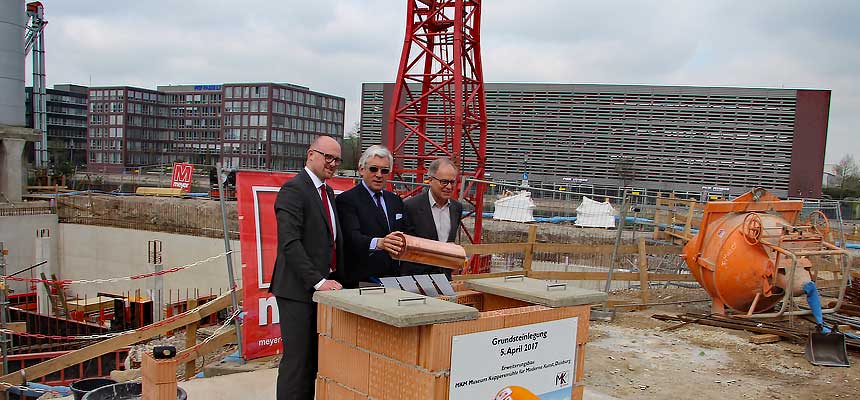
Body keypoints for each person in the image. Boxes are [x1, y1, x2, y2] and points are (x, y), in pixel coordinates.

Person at [270, 135, 344, 400]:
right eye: (328, 157)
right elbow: (290, 244)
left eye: (337, 159)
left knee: (312, 362)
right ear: (311, 154)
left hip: (320, 292)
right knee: (297, 364)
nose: (333, 163)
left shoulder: (327, 191)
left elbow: (330, 240)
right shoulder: (294, 190)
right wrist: (319, 281)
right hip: (297, 292)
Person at [336, 145, 408, 287]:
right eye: (373, 169)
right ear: (361, 169)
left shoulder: (395, 200)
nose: (379, 174)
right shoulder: (347, 200)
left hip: (392, 279)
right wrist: (379, 243)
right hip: (361, 280)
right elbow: (351, 238)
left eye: (384, 170)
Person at [402, 157, 464, 279]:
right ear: (430, 180)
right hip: (416, 279)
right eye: (444, 182)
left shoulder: (456, 208)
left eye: (452, 182)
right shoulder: (411, 206)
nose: (449, 187)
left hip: (444, 278)